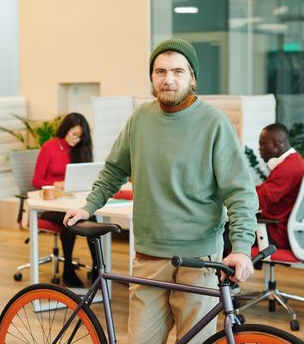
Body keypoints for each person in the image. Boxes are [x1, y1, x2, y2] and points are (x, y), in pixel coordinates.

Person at [64, 38, 258, 343]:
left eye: (178, 71)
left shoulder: (214, 123)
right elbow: (115, 169)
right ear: (152, 77)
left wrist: (242, 248)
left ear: (192, 77)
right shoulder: (140, 119)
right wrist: (90, 205)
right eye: (161, 71)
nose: (168, 79)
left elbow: (240, 192)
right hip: (148, 256)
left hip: (200, 258)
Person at [32, 112, 97, 287]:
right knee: (70, 220)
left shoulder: (80, 149)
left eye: (80, 136)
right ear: (65, 129)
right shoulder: (49, 147)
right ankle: (68, 269)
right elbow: (37, 181)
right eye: (74, 134)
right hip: (50, 206)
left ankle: (98, 268)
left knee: (92, 217)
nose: (77, 139)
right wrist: (56, 184)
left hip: (74, 201)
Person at [256, 123, 304, 249]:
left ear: (275, 145)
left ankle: (215, 269)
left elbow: (258, 201)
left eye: (262, 144)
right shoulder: (294, 161)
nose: (259, 149)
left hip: (274, 232)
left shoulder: (288, 168)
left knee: (223, 234)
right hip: (280, 228)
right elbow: (265, 191)